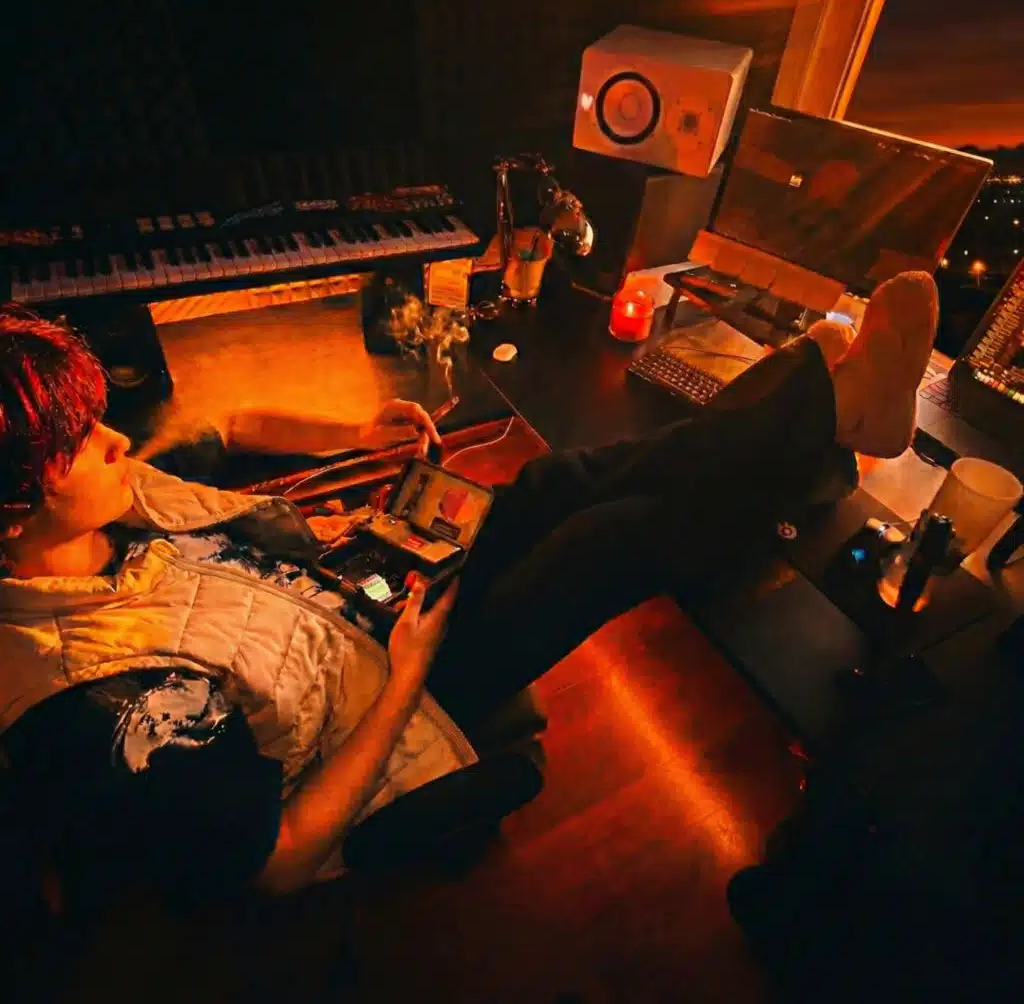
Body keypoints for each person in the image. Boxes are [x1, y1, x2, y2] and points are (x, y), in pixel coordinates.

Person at [0, 272, 938, 913]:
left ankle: (821, 415)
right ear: (10, 513)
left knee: (553, 482)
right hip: (377, 700)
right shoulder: (101, 704)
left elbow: (229, 426)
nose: (116, 442)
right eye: (81, 443)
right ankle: (820, 416)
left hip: (349, 592)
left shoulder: (96, 508)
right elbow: (280, 861)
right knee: (603, 543)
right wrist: (409, 672)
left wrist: (355, 432)